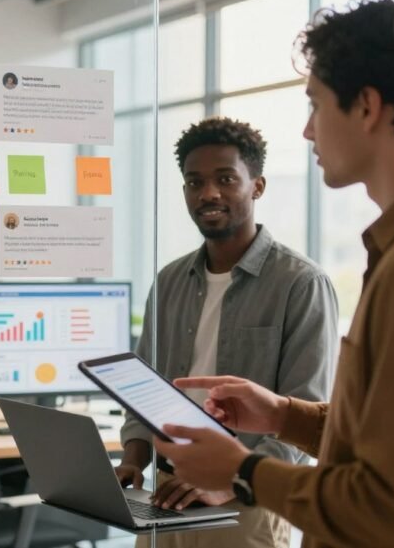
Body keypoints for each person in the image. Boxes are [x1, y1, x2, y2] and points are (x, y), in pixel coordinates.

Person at [152, 0, 394, 548]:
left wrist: (243, 470)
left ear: (367, 107)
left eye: (316, 105)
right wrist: (284, 414)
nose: (307, 131)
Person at [114, 117, 336, 548]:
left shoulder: (300, 283)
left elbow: (303, 410)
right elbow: (144, 391)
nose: (208, 193)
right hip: (167, 492)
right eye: (195, 182)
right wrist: (132, 459)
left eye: (225, 179)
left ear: (257, 186)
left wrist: (234, 481)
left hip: (246, 501)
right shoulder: (169, 280)